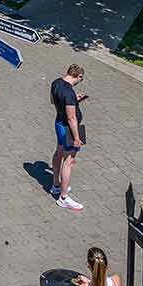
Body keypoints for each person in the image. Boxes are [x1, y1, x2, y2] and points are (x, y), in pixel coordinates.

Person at [50, 64, 87, 211]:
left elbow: (53, 102)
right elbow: (72, 118)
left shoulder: (56, 83)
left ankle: (56, 185)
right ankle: (64, 198)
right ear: (78, 76)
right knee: (70, 160)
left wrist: (73, 101)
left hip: (58, 123)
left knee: (59, 151)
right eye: (80, 79)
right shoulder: (69, 93)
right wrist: (77, 138)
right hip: (68, 129)